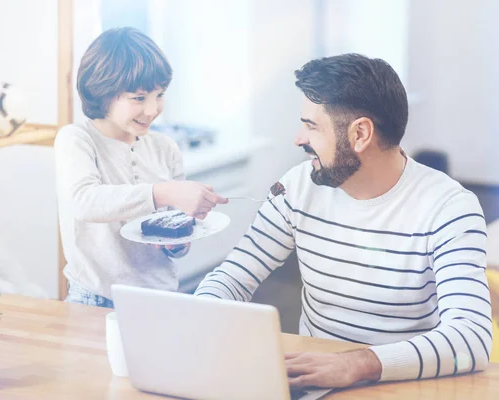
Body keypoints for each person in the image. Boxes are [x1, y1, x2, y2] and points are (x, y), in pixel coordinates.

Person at [195, 53, 492, 388]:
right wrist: (200, 319)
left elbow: (472, 339)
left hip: (403, 384)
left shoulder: (449, 208)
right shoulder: (297, 186)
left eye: (311, 126)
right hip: (314, 382)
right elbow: (234, 276)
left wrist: (361, 363)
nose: (298, 139)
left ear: (360, 134)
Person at [55, 27, 227, 308]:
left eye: (159, 95)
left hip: (161, 297)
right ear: (103, 92)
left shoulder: (165, 147)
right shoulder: (77, 139)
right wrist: (163, 192)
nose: (153, 109)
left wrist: (177, 243)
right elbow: (84, 203)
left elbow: (175, 228)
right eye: (139, 98)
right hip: (94, 298)